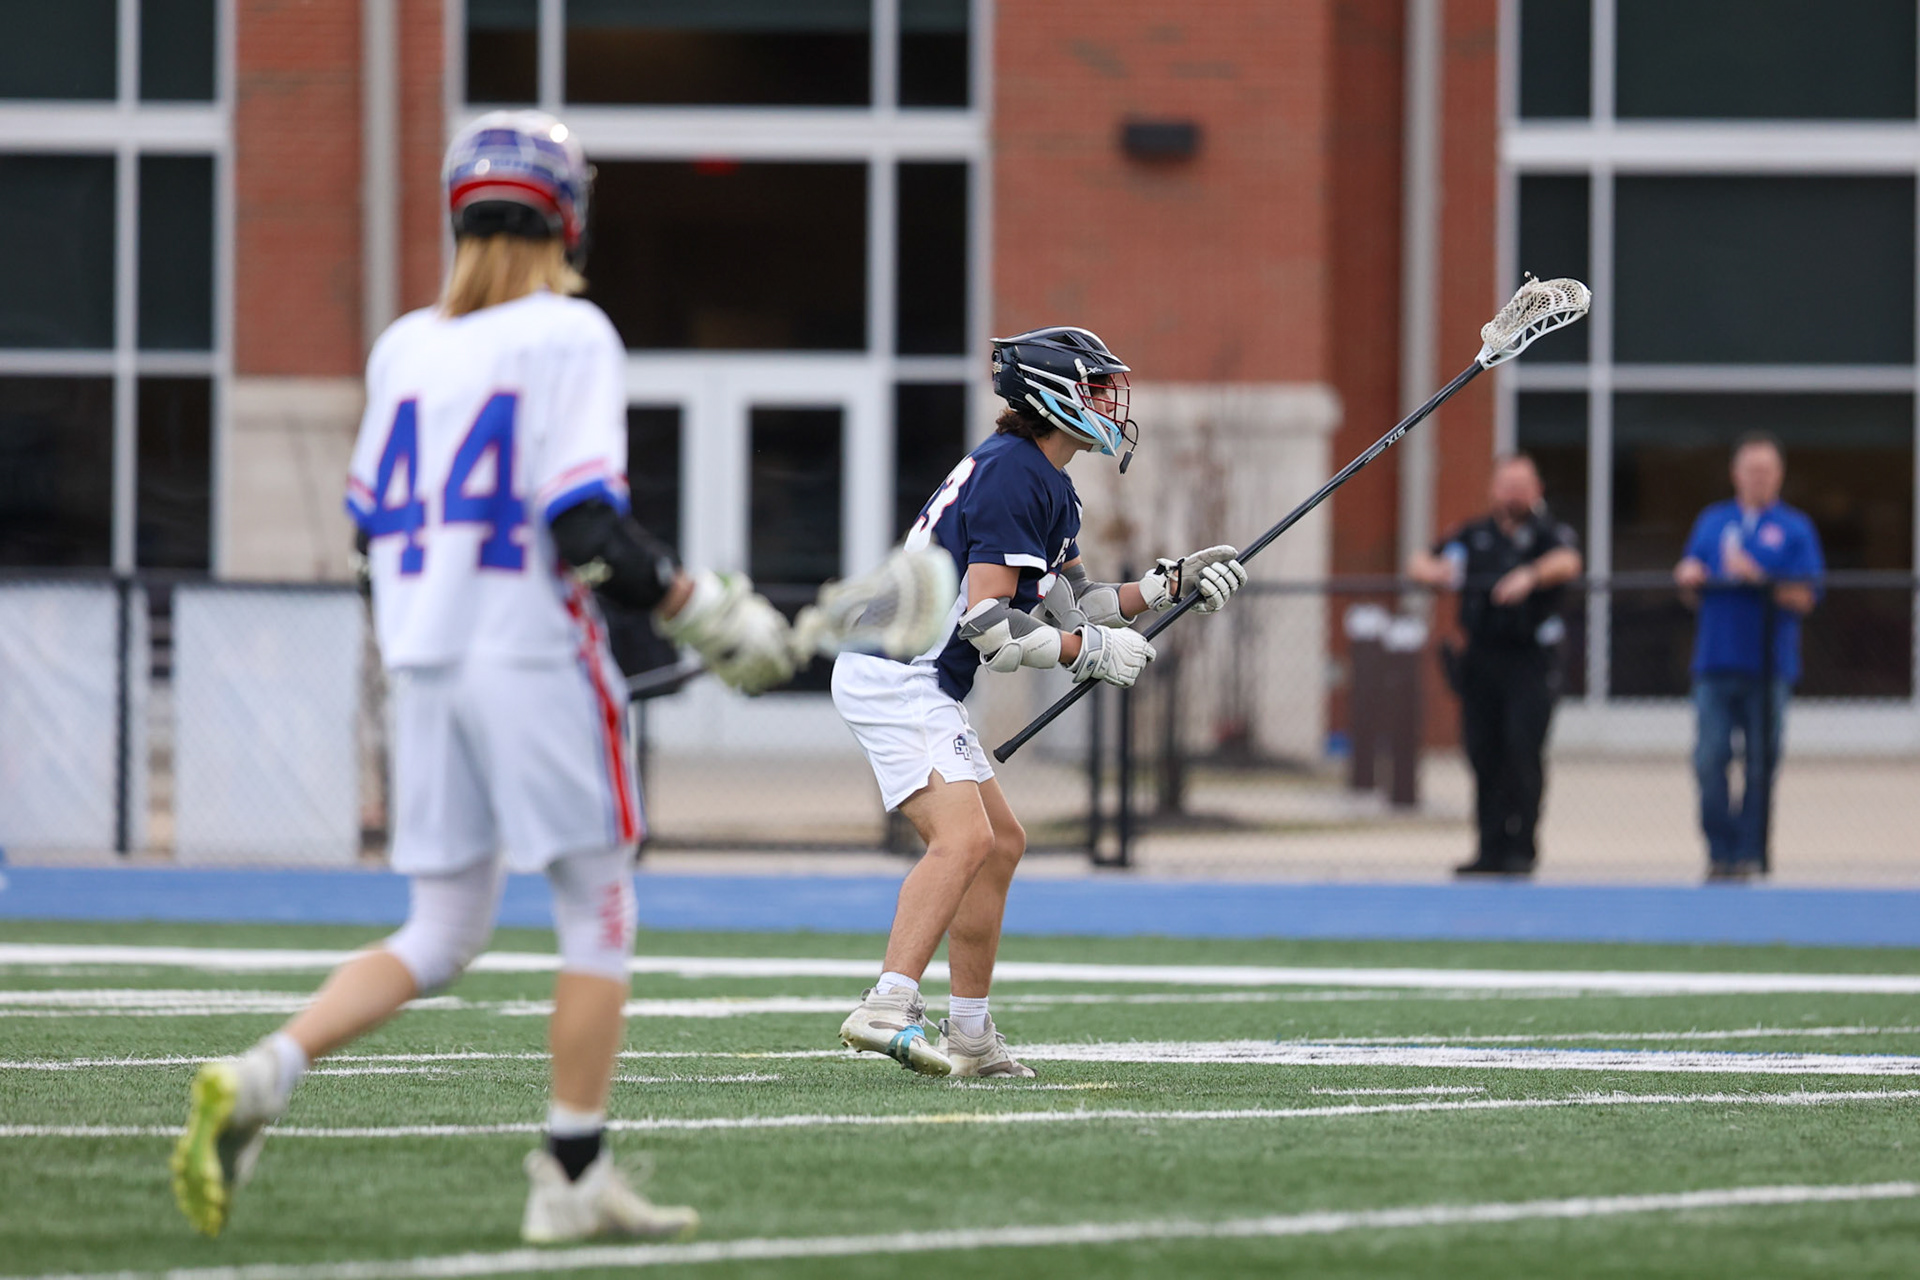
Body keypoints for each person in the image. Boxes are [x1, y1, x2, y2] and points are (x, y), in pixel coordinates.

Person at [169, 111, 797, 1242]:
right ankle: (570, 1174)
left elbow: (367, 534)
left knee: (444, 927)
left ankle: (265, 1072)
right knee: (597, 911)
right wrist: (696, 606)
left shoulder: (406, 344)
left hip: (426, 659)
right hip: (529, 652)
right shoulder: (570, 332)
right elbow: (581, 516)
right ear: (567, 214)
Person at [832, 327, 1248, 1078]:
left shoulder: (1045, 480)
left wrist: (1170, 585)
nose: (1109, 404)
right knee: (962, 842)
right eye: (1094, 389)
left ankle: (969, 1034)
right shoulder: (1013, 475)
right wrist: (1089, 653)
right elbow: (990, 624)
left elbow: (1077, 601)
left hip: (916, 674)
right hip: (898, 671)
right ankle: (889, 1002)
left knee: (1002, 844)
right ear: (1055, 397)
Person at [1407, 454, 1582, 877]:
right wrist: (1438, 573)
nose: (1514, 493)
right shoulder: (1472, 535)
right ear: (1493, 489)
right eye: (1507, 484)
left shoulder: (1548, 535)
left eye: (1523, 484)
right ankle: (1488, 848)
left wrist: (1530, 576)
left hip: (1529, 660)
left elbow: (1569, 562)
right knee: (1483, 753)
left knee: (1522, 751)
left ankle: (1521, 848)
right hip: (1481, 658)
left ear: (1537, 490)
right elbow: (1419, 562)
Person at [1673, 433, 1823, 881]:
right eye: (1751, 470)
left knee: (1761, 763)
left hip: (1768, 667)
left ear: (1779, 475)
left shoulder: (1795, 529)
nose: (1758, 478)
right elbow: (1690, 592)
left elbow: (1805, 597)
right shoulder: (1713, 522)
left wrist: (1757, 577)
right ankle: (1720, 852)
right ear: (1735, 474)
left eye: (1767, 470)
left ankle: (1749, 853)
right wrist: (1689, 576)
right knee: (1709, 758)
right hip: (1714, 665)